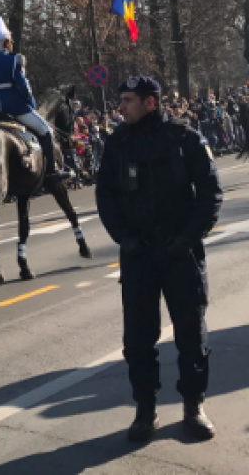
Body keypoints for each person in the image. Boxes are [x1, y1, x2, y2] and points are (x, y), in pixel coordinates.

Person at [96, 75, 223, 442]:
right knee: (138, 338)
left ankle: (193, 404)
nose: (121, 108)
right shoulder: (117, 144)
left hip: (180, 252)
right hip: (139, 255)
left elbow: (210, 193)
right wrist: (125, 238)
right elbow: (105, 198)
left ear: (150, 103)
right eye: (121, 100)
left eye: (129, 101)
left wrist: (188, 237)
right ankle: (145, 407)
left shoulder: (184, 139)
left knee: (190, 335)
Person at [0, 15, 69, 182]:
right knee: (46, 131)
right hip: (16, 107)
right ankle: (52, 170)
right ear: (7, 41)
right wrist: (30, 103)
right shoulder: (14, 60)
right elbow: (24, 87)